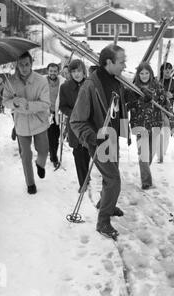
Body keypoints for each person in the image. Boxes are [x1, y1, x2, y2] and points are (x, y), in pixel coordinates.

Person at [71, 45, 129, 240]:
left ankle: (106, 204)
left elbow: (121, 103)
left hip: (112, 138)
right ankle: (103, 222)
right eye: (121, 61)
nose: (125, 65)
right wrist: (95, 137)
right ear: (109, 63)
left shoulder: (116, 81)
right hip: (99, 141)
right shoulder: (91, 86)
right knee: (114, 180)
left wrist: (142, 97)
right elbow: (76, 121)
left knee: (108, 179)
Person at [3, 52, 51, 195]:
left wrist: (28, 105)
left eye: (27, 64)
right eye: (21, 64)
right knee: (25, 154)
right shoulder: (10, 82)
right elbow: (6, 101)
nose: (24, 68)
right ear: (16, 65)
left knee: (43, 151)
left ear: (31, 64)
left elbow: (45, 103)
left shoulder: (41, 81)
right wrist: (15, 102)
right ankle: (30, 184)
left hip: (40, 122)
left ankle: (40, 164)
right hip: (21, 124)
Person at [126, 62, 173, 190]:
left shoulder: (157, 86)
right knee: (143, 154)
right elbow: (127, 105)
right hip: (140, 125)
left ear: (151, 74)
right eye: (142, 73)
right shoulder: (133, 88)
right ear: (138, 74)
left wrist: (171, 116)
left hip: (155, 124)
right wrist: (136, 98)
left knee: (151, 153)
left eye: (147, 73)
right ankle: (146, 181)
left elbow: (165, 103)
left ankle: (145, 168)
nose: (144, 75)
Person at [59, 59, 90, 191]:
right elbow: (62, 106)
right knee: (77, 153)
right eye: (73, 71)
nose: (76, 74)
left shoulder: (90, 85)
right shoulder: (65, 87)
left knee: (87, 152)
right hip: (74, 126)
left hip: (89, 125)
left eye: (79, 71)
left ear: (84, 71)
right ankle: (82, 182)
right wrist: (75, 114)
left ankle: (86, 175)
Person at [159, 62, 174, 160]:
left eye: (169, 69)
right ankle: (157, 150)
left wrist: (172, 95)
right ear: (162, 70)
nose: (167, 71)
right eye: (165, 69)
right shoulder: (157, 81)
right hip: (156, 109)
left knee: (166, 131)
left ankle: (162, 152)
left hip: (167, 110)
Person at [46, 63, 65, 168]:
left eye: (55, 71)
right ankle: (54, 157)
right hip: (46, 114)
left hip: (57, 113)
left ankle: (52, 152)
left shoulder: (62, 82)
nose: (53, 73)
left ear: (58, 72)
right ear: (47, 71)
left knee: (56, 137)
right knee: (50, 137)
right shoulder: (42, 82)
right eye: (51, 71)